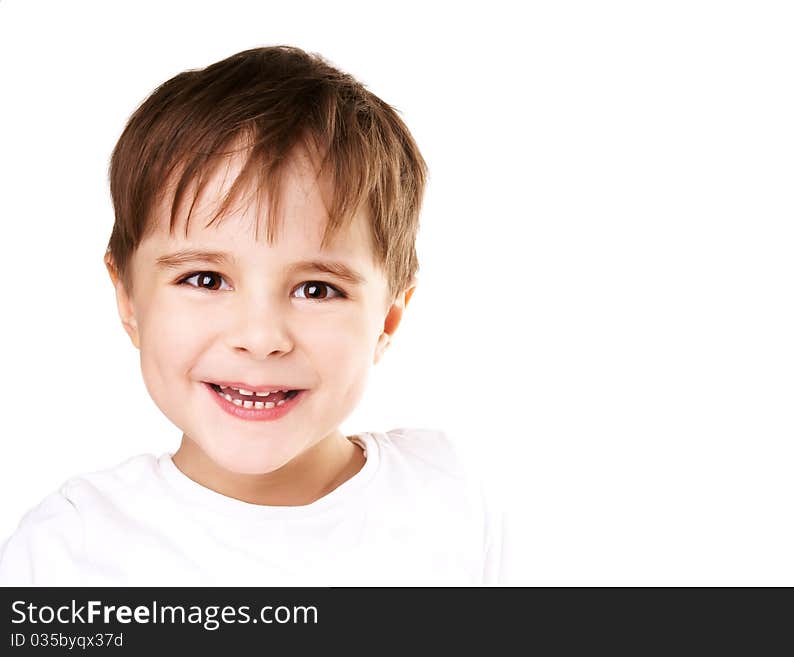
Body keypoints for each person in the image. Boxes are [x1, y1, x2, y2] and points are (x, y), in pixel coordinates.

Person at [0, 45, 506, 586]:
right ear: (128, 299)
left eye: (316, 289)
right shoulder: (67, 553)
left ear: (386, 320)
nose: (260, 338)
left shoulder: (451, 500)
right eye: (205, 280)